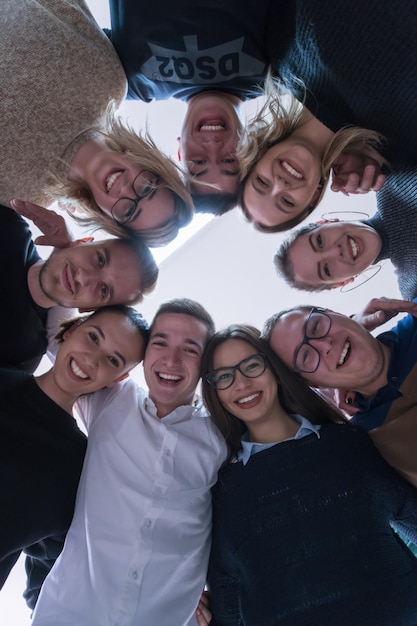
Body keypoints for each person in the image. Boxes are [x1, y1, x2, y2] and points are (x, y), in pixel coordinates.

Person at [201, 324, 417, 625]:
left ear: (274, 369)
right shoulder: (221, 489)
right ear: (214, 393)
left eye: (252, 365)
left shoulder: (349, 442)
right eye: (224, 376)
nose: (242, 383)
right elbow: (225, 591)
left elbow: (411, 515)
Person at [31, 298, 227, 626]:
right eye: (160, 343)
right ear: (144, 354)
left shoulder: (223, 435)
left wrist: (218, 584)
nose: (171, 359)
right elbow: (63, 338)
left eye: (190, 349)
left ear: (207, 364)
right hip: (66, 614)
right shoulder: (111, 398)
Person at [1, 0, 193, 247]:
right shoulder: (108, 81)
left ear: (108, 218)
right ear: (154, 164)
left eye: (128, 212)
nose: (126, 190)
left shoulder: (21, 196)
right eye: (147, 188)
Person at [0, 305, 149, 609]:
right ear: (70, 330)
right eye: (93, 337)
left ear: (117, 379)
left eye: (112, 360)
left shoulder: (81, 470)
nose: (92, 359)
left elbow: (54, 572)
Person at [105, 0, 295, 212]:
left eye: (197, 162)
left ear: (179, 152)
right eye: (229, 160)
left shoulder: (126, 84)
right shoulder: (282, 71)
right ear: (251, 146)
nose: (213, 144)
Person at [263, 300, 417, 487]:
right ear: (314, 383)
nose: (325, 345)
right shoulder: (365, 446)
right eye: (306, 356)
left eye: (316, 326)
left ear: (334, 312)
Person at [0, 201, 157, 374]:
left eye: (103, 290)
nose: (83, 277)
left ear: (88, 308)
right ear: (81, 242)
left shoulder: (24, 354)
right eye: (100, 259)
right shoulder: (10, 227)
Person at [237, 82, 386, 233]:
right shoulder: (387, 149)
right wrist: (381, 154)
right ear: (314, 197)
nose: (281, 185)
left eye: (261, 182)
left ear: (258, 156)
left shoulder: (289, 70)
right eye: (287, 201)